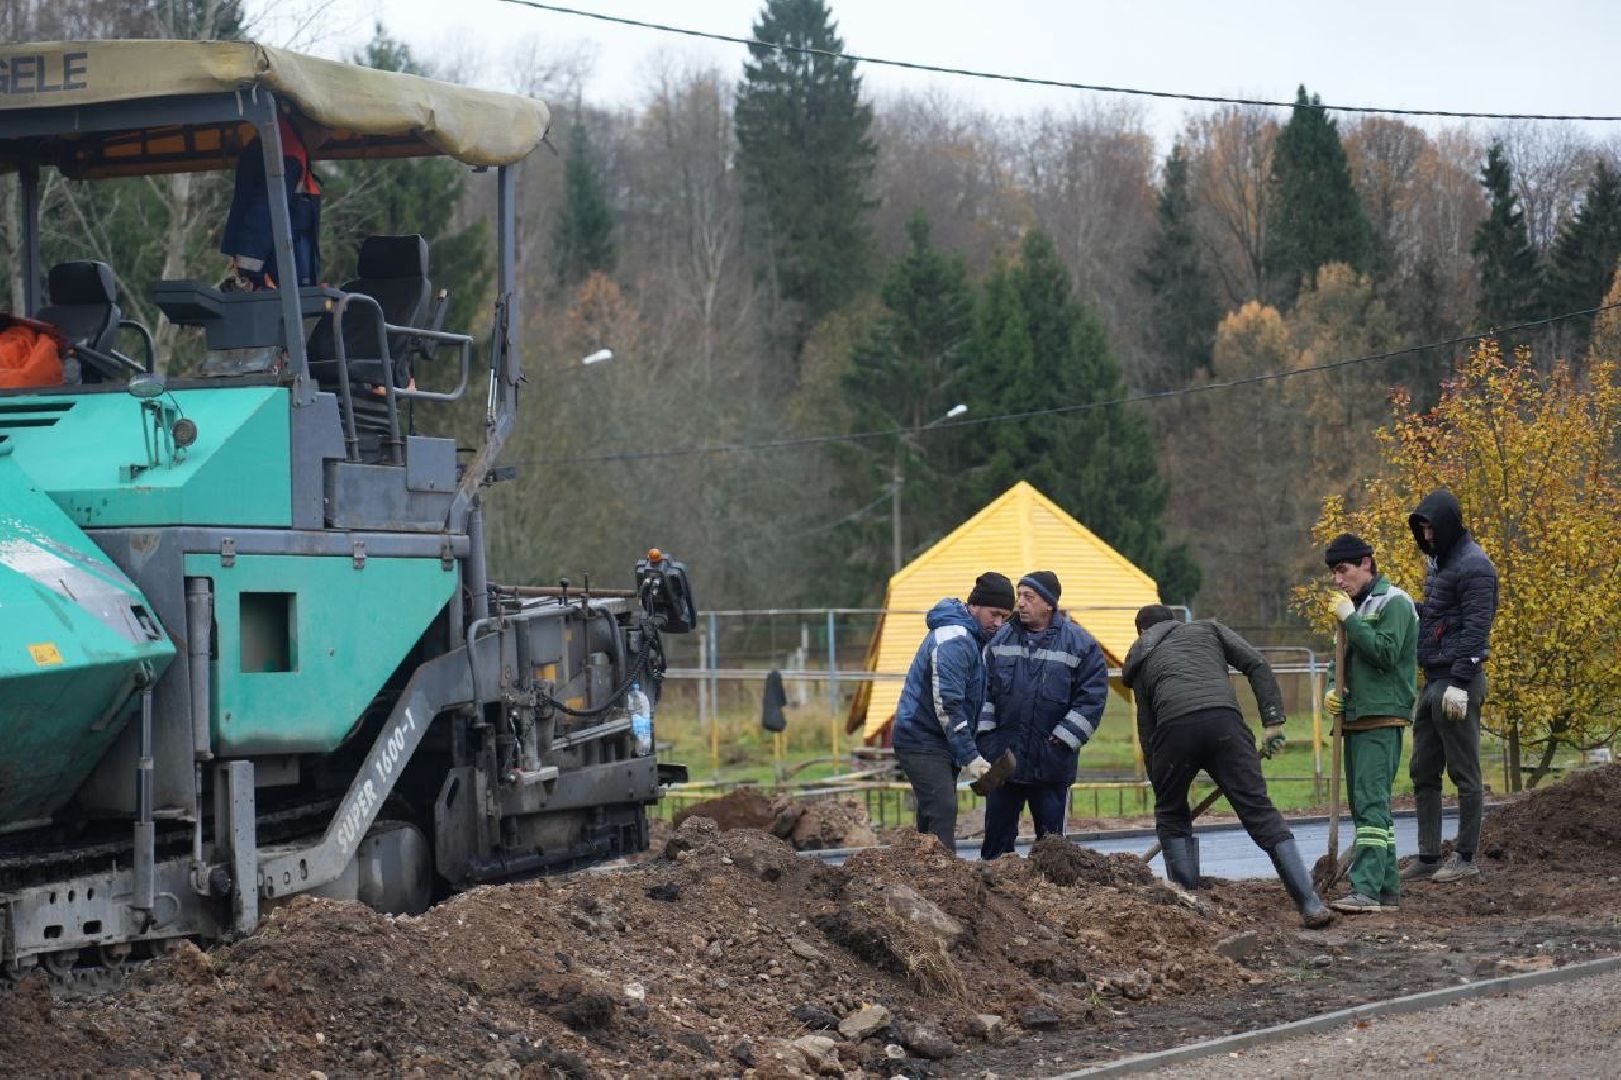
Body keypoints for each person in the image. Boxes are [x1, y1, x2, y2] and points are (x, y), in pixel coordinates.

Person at [1123, 604, 1332, 928]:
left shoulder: (1140, 654)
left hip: (1173, 731)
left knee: (1172, 815)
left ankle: (1190, 911)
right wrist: (1273, 721)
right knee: (1259, 811)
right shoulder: (1209, 629)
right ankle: (1310, 904)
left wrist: (1164, 786)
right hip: (1225, 724)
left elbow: (1147, 725)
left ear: (1142, 632)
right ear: (1173, 623)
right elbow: (1257, 664)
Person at [976, 572, 1109, 860]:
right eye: (1019, 595)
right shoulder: (999, 640)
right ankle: (992, 898)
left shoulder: (1081, 644)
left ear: (1049, 604)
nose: (1020, 603)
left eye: (1029, 597)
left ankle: (1054, 902)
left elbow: (1092, 700)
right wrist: (988, 742)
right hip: (1005, 764)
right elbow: (983, 693)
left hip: (1050, 765)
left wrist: (1061, 741)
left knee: (1053, 853)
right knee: (996, 849)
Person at [1403, 489, 1498, 885]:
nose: (1426, 536)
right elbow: (1440, 618)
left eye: (1430, 528)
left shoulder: (1476, 567)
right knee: (1423, 769)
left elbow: (1477, 628)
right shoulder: (1439, 566)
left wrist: (1460, 682)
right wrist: (1406, 608)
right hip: (1433, 679)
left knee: (1464, 772)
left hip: (1458, 681)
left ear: (1446, 524)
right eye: (1421, 529)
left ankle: (1465, 856)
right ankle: (1428, 856)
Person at [1321, 533, 1418, 914]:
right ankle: (1388, 889)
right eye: (1333, 574)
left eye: (1343, 571)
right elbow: (1337, 662)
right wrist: (1332, 688)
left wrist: (1350, 619)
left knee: (1371, 804)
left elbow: (1385, 653)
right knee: (1366, 805)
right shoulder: (1354, 610)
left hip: (1382, 714)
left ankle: (1365, 891)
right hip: (1356, 717)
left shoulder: (1394, 602)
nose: (1338, 581)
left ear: (1366, 563)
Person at [891, 572, 1015, 851]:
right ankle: (943, 882)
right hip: (920, 738)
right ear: (974, 606)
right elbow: (948, 705)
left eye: (1004, 617)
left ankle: (920, 875)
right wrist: (971, 756)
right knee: (942, 809)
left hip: (937, 740)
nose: (998, 623)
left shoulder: (973, 638)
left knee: (932, 814)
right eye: (994, 614)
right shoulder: (956, 640)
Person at [220, 110, 326, 291]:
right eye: (326, 132)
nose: (326, 139)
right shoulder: (287, 156)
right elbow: (264, 215)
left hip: (281, 282)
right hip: (278, 285)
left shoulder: (275, 143)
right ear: (310, 124)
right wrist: (251, 275)